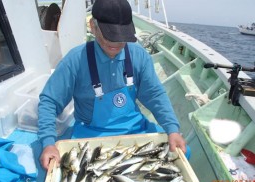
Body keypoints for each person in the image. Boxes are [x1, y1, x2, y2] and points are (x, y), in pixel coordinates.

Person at [38, 0, 187, 170]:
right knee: (65, 167)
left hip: (136, 130)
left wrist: (172, 129)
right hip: (91, 135)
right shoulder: (75, 60)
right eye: (110, 35)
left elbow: (154, 95)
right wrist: (48, 143)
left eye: (122, 35)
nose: (116, 43)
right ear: (93, 27)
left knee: (182, 153)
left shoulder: (139, 55)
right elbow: (49, 101)